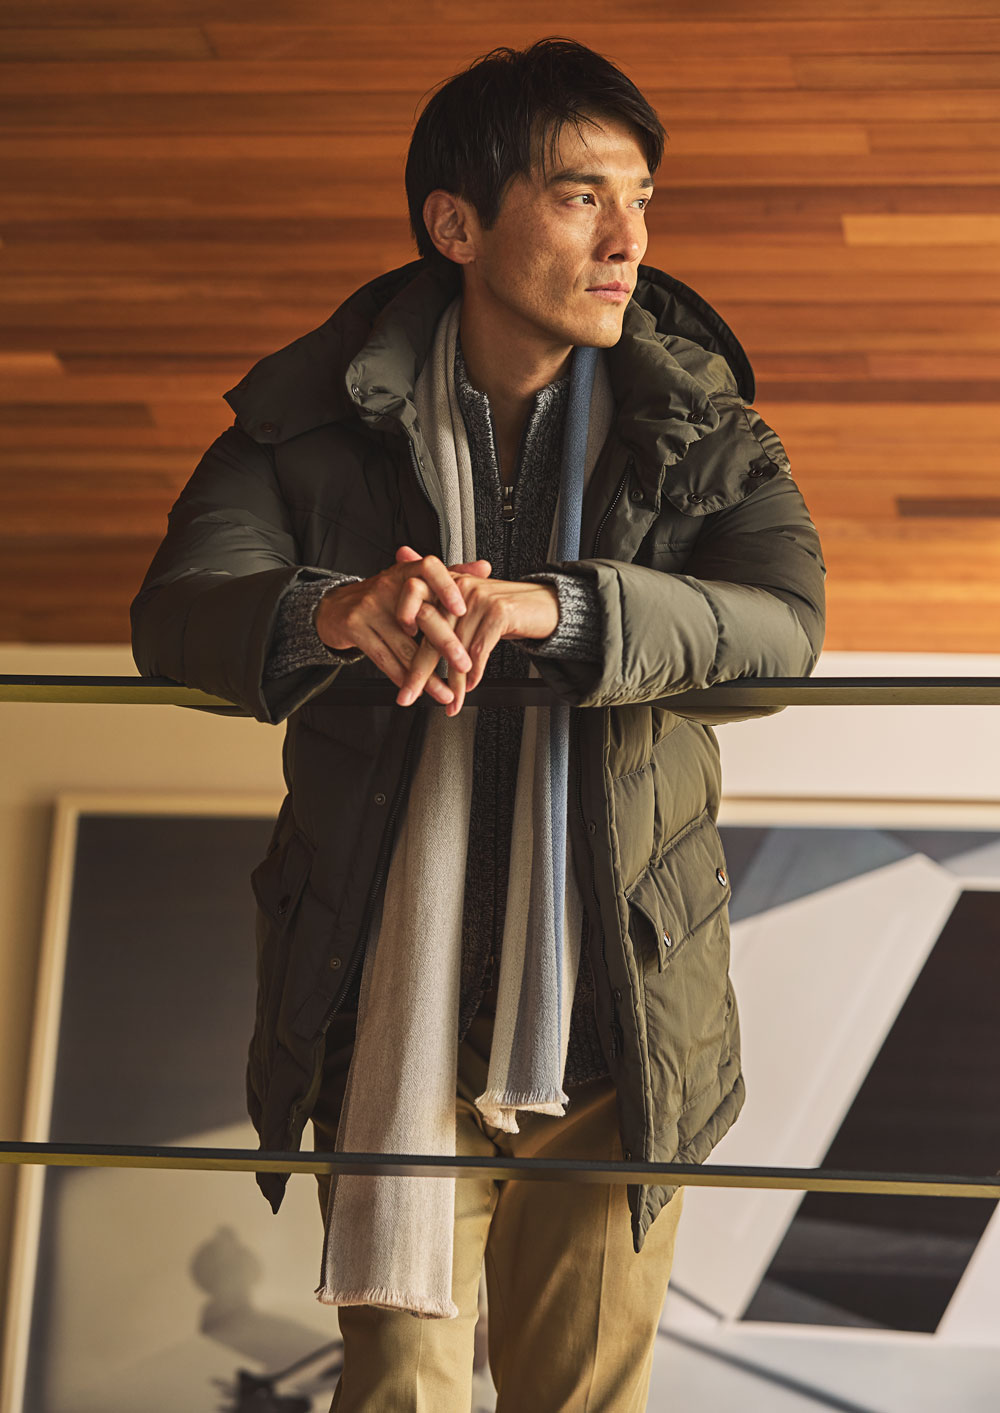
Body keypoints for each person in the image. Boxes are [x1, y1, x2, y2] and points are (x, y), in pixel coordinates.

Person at [131, 37, 826, 1413]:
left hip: (619, 1028)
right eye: (580, 197)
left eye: (641, 199)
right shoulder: (309, 423)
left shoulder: (704, 424)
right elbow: (178, 611)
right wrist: (332, 612)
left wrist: (564, 610)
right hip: (387, 1024)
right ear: (457, 225)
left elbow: (783, 630)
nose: (629, 240)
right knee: (398, 1396)